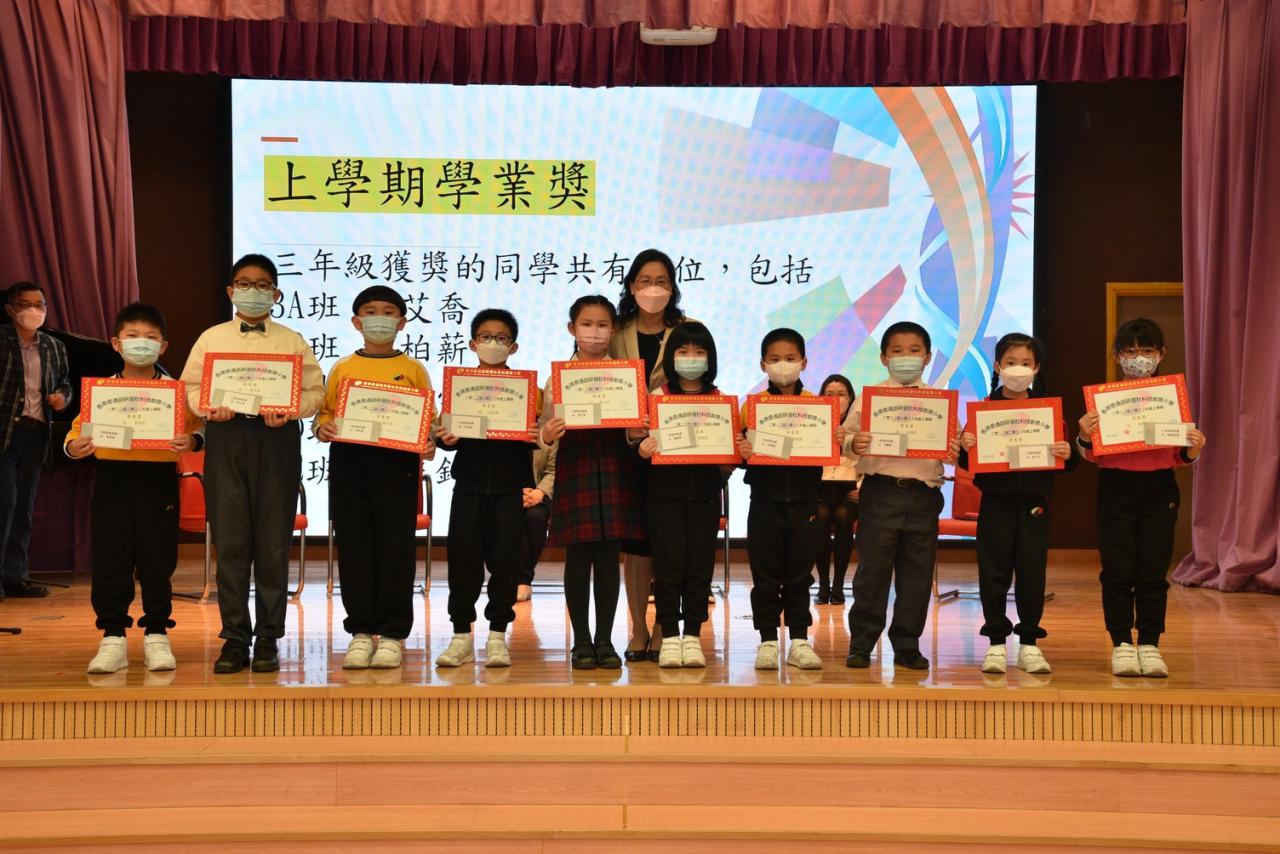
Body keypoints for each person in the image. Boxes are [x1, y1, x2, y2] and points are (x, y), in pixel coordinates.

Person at [179, 254, 325, 674]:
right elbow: (189, 389)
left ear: (276, 294)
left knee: (273, 543)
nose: (253, 291)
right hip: (226, 437)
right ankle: (234, 638)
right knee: (231, 542)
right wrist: (210, 407)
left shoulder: (292, 341)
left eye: (263, 285)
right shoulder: (211, 338)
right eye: (244, 284)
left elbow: (316, 393)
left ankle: (268, 638)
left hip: (277, 438)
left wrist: (291, 410)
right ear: (231, 291)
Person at [66, 303, 203, 673]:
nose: (141, 343)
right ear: (116, 343)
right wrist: (74, 446)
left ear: (163, 346)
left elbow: (198, 428)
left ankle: (157, 633)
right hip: (113, 479)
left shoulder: (175, 392)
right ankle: (113, 637)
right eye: (133, 336)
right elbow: (76, 432)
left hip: (158, 482)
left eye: (150, 338)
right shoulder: (101, 391)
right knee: (111, 560)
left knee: (158, 559)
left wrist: (192, 441)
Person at [313, 285, 434, 670]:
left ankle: (393, 634)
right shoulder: (343, 367)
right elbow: (325, 414)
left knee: (396, 549)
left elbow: (428, 420)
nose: (378, 318)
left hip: (397, 466)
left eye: (387, 312)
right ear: (356, 321)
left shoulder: (413, 369)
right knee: (354, 548)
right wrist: (322, 428)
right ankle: (361, 631)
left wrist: (428, 441)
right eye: (370, 311)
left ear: (401, 323)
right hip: (350, 464)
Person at [1077, 318, 1205, 678]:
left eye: (1147, 350)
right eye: (1130, 351)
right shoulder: (1105, 401)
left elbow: (1179, 455)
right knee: (1117, 570)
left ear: (1161, 353)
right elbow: (1091, 455)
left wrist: (1193, 449)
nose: (1139, 358)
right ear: (1118, 356)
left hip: (1159, 489)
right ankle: (1121, 643)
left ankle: (1149, 643)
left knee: (1153, 570)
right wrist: (1084, 435)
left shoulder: (1171, 399)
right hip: (1116, 488)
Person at [957, 333, 1076, 675]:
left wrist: (1067, 454)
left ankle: (1029, 644)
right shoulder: (983, 410)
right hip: (995, 502)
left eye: (1025, 363)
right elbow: (967, 463)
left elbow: (1066, 462)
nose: (1018, 369)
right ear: (997, 366)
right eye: (1011, 363)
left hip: (1035, 504)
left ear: (1036, 368)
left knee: (1032, 573)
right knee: (993, 573)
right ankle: (996, 643)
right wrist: (966, 447)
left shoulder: (1048, 410)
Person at [846, 321, 962, 671]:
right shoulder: (869, 398)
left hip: (923, 495)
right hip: (880, 491)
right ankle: (862, 643)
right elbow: (846, 440)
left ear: (927, 357)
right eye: (897, 351)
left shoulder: (940, 401)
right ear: (884, 358)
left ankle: (907, 644)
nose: (906, 357)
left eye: (914, 351)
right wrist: (854, 443)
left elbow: (954, 449)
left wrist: (954, 451)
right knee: (872, 572)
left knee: (917, 575)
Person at [538, 296, 645, 670]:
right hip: (576, 466)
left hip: (615, 467)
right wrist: (547, 435)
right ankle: (581, 641)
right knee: (578, 557)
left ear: (613, 330)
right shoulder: (558, 379)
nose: (594, 332)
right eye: (587, 324)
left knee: (609, 557)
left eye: (602, 325)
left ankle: (605, 640)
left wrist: (637, 428)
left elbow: (633, 431)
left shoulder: (626, 376)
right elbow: (543, 432)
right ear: (572, 328)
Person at [434, 309, 539, 669]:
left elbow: (539, 436)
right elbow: (444, 436)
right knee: (463, 562)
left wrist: (535, 434)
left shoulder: (528, 392)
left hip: (510, 489)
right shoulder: (460, 387)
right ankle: (461, 637)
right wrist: (445, 438)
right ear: (472, 343)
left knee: (506, 564)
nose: (493, 343)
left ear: (514, 346)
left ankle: (497, 637)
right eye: (486, 337)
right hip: (468, 486)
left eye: (502, 338)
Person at [737, 328, 833, 671]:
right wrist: (743, 451)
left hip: (805, 501)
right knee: (765, 574)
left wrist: (833, 437)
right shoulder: (751, 407)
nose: (783, 365)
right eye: (775, 359)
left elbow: (826, 451)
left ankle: (800, 641)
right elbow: (740, 455)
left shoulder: (817, 407)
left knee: (799, 574)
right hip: (764, 500)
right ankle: (767, 640)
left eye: (790, 358)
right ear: (763, 364)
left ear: (804, 362)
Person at [610, 249, 689, 662]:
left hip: (672, 449)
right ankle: (638, 628)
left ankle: (664, 627)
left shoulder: (689, 330)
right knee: (637, 544)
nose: (653, 289)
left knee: (667, 543)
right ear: (631, 286)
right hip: (624, 451)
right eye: (645, 281)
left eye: (661, 281)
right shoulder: (615, 330)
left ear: (672, 287)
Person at [636, 321, 728, 668]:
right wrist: (642, 449)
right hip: (663, 499)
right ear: (671, 357)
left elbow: (729, 460)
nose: (691, 357)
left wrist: (734, 452)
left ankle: (693, 636)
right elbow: (638, 450)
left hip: (704, 498)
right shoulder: (656, 398)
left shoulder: (720, 401)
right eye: (683, 351)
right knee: (667, 568)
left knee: (699, 569)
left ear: (710, 358)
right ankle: (670, 637)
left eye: (699, 351)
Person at [0, 281, 71, 600]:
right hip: (5, 431)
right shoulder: (2, 341)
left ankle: (15, 577)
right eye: (25, 304)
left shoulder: (55, 346)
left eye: (39, 304)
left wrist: (62, 398)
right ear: (10, 309)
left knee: (24, 508)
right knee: (5, 504)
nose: (33, 310)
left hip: (37, 432)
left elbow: (66, 385)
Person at [814, 374, 859, 605]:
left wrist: (863, 489)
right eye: (829, 394)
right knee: (820, 516)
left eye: (841, 394)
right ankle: (823, 583)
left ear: (850, 398)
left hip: (850, 491)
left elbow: (872, 461)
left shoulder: (861, 426)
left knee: (843, 516)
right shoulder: (812, 424)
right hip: (819, 490)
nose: (835, 399)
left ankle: (839, 584)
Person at [517, 444, 557, 602]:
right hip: (508, 491)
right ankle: (519, 579)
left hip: (541, 492)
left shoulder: (549, 432)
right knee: (513, 516)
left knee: (536, 517)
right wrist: (515, 493)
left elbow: (553, 470)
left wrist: (540, 492)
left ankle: (523, 580)